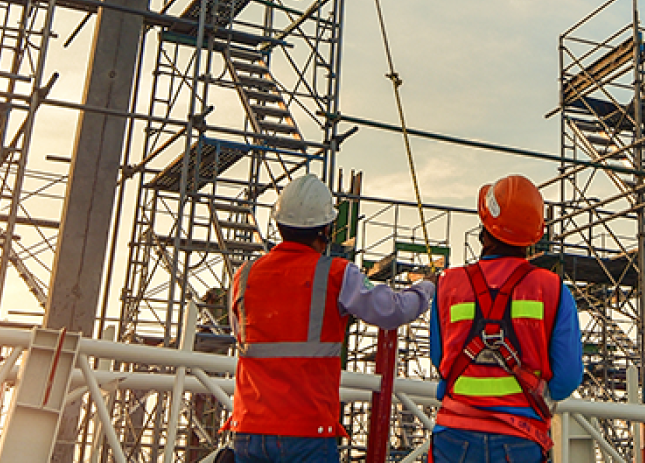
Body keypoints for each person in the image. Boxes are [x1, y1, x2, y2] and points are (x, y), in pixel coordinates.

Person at [229, 174, 435, 463]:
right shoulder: (335, 273)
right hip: (307, 432)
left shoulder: (245, 275)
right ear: (326, 229)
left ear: (279, 224)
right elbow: (392, 311)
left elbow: (242, 334)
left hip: (248, 429)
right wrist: (427, 288)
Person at [430, 175, 583, 463]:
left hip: (454, 436)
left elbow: (440, 359)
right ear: (535, 235)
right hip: (520, 440)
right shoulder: (552, 290)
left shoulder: (448, 285)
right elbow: (566, 379)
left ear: (484, 227)